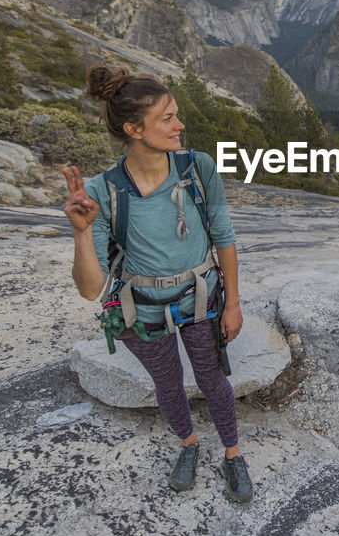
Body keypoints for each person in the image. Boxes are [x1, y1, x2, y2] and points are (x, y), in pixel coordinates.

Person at [62, 65, 252, 504]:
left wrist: (233, 304)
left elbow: (224, 238)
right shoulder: (102, 191)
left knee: (212, 379)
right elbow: (91, 289)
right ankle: (188, 444)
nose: (179, 125)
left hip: (199, 301)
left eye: (176, 114)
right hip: (140, 311)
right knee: (167, 385)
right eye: (167, 118)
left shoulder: (198, 168)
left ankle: (233, 453)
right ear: (133, 128)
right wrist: (81, 233)